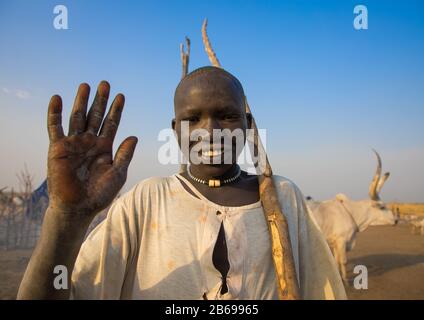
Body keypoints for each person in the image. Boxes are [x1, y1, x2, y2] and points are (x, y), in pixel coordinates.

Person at [18, 66, 346, 300]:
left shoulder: (284, 198)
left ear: (248, 125)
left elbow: (325, 290)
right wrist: (66, 218)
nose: (210, 130)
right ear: (175, 130)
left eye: (227, 116)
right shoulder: (145, 201)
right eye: (193, 119)